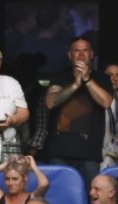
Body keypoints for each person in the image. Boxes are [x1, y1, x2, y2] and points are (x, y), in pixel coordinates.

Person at [44, 35, 113, 186]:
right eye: (77, 51)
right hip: (59, 151)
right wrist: (75, 84)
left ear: (92, 54)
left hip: (89, 153)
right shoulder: (60, 76)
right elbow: (50, 102)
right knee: (60, 197)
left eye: (85, 50)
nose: (81, 54)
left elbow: (106, 102)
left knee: (92, 197)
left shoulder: (102, 78)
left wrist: (87, 80)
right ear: (70, 55)